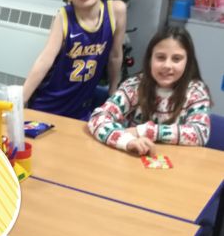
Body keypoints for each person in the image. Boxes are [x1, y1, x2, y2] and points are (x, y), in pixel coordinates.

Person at [23, 0, 127, 120]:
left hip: (81, 105)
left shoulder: (116, 11)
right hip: (50, 102)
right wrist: (20, 99)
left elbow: (115, 55)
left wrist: (113, 90)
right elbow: (45, 59)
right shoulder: (63, 17)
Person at [87, 26, 211, 155]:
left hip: (177, 162)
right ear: (150, 59)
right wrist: (127, 141)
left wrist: (143, 131)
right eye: (160, 57)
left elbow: (200, 132)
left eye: (176, 59)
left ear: (188, 62)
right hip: (134, 159)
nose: (167, 65)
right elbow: (98, 118)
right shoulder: (134, 86)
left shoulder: (196, 92)